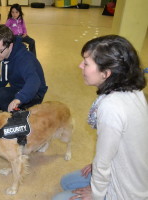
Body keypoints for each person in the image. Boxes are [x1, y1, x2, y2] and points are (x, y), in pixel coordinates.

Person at [52, 35, 148, 200]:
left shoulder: (111, 107)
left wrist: (97, 193)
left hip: (126, 191)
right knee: (67, 182)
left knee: (58, 199)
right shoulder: (133, 89)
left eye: (86, 63)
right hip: (132, 171)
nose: (80, 65)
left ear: (106, 73)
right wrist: (96, 167)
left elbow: (103, 163)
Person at [0, 25, 47, 112]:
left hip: (34, 93)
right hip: (19, 89)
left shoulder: (24, 59)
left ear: (10, 45)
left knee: (2, 95)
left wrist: (19, 99)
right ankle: (17, 109)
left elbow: (34, 82)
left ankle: (16, 118)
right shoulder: (5, 55)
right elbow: (5, 76)